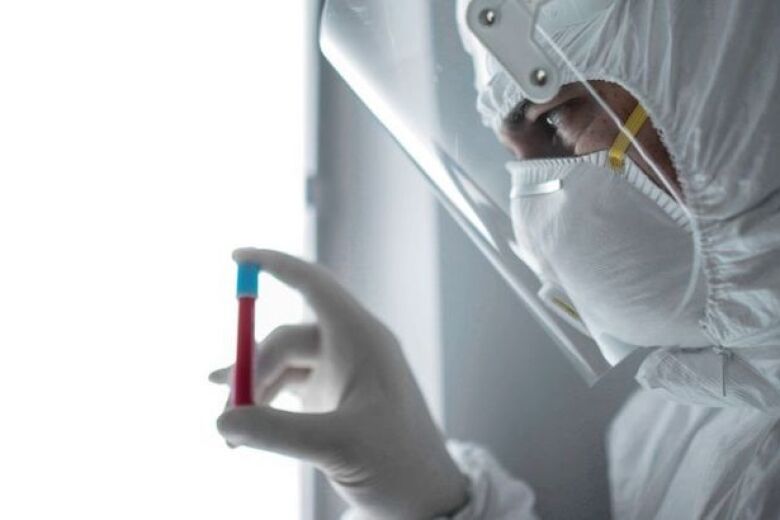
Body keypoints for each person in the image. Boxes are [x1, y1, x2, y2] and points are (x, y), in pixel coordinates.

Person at [210, 0, 780, 517]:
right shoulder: (675, 440)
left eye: (553, 120)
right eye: (515, 156)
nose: (533, 224)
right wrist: (431, 500)